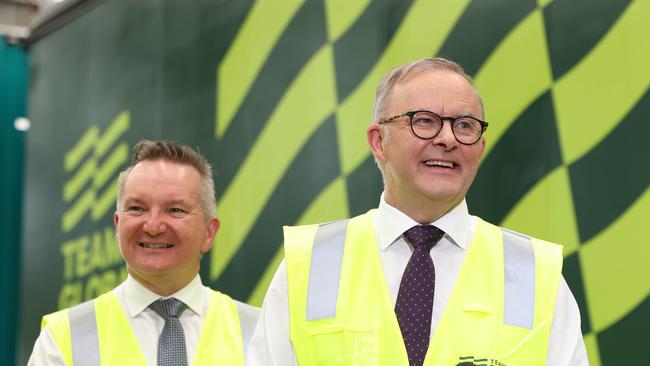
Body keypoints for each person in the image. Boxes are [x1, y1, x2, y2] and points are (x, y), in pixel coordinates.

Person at [248, 57, 588, 365]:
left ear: (481, 148)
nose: (448, 139)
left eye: (465, 125)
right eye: (424, 121)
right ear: (379, 142)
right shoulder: (309, 266)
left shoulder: (534, 276)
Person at [29, 139, 258, 365]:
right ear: (118, 225)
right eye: (137, 208)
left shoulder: (260, 331)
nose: (153, 226)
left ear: (209, 232)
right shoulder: (63, 339)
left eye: (175, 210)